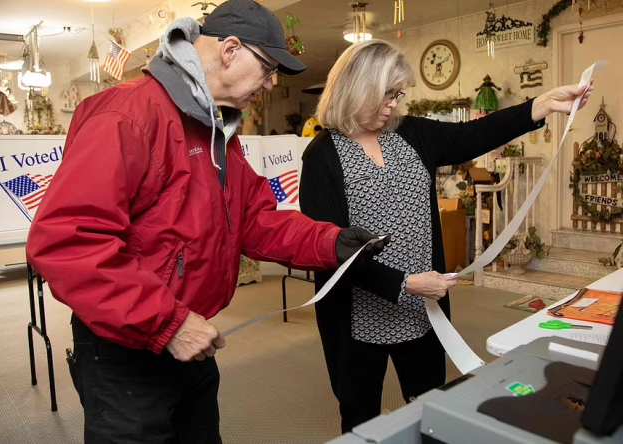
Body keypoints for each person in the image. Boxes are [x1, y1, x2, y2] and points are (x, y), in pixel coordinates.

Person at [25, 2, 388, 443]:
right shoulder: (127, 115)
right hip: (131, 349)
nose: (271, 85)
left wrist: (332, 242)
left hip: (190, 339)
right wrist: (167, 323)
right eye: (269, 68)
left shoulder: (215, 131)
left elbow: (255, 218)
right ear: (231, 49)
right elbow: (69, 243)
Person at [299, 39, 594, 433]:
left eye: (397, 95)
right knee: (359, 417)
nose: (393, 105)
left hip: (423, 310)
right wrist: (403, 283)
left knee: (430, 412)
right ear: (357, 88)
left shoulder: (411, 134)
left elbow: (474, 135)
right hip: (357, 318)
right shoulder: (320, 158)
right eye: (385, 95)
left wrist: (541, 104)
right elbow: (332, 252)